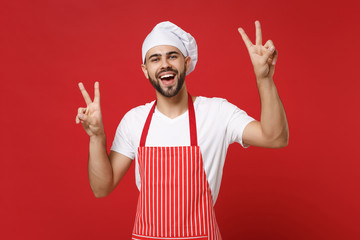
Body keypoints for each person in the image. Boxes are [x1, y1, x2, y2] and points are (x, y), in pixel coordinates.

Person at [75, 20, 288, 240]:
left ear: (186, 63)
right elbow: (101, 188)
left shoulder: (217, 112)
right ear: (145, 70)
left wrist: (264, 79)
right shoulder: (134, 121)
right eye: (155, 59)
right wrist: (96, 137)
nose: (164, 64)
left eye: (172, 56)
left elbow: (275, 137)